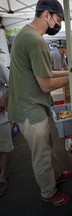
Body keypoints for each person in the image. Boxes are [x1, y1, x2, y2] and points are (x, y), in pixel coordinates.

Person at [7, 0, 72, 206]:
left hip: (28, 104)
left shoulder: (25, 34)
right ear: (46, 14)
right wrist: (71, 78)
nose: (58, 25)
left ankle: (54, 176)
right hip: (31, 108)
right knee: (42, 155)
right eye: (58, 20)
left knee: (47, 146)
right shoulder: (36, 41)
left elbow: (44, 71)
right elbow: (46, 84)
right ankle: (49, 192)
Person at [0, 62, 14, 198]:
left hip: (1, 117)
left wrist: (4, 98)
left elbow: (14, 84)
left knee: (5, 147)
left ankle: (2, 176)